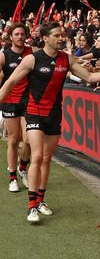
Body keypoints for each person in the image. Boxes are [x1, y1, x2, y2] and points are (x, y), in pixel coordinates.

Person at [0, 22, 100, 223]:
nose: (62, 38)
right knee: (35, 156)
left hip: (54, 115)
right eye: (57, 35)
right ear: (45, 38)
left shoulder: (67, 59)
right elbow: (10, 82)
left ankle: (41, 200)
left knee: (45, 159)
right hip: (34, 113)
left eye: (63, 35)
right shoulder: (31, 59)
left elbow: (89, 76)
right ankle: (31, 207)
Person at [0, 23, 32, 192]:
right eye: (17, 34)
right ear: (11, 37)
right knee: (13, 139)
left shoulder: (32, 52)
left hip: (28, 101)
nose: (20, 37)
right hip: (10, 100)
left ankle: (22, 168)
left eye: (22, 34)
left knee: (28, 140)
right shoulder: (4, 56)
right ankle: (12, 177)